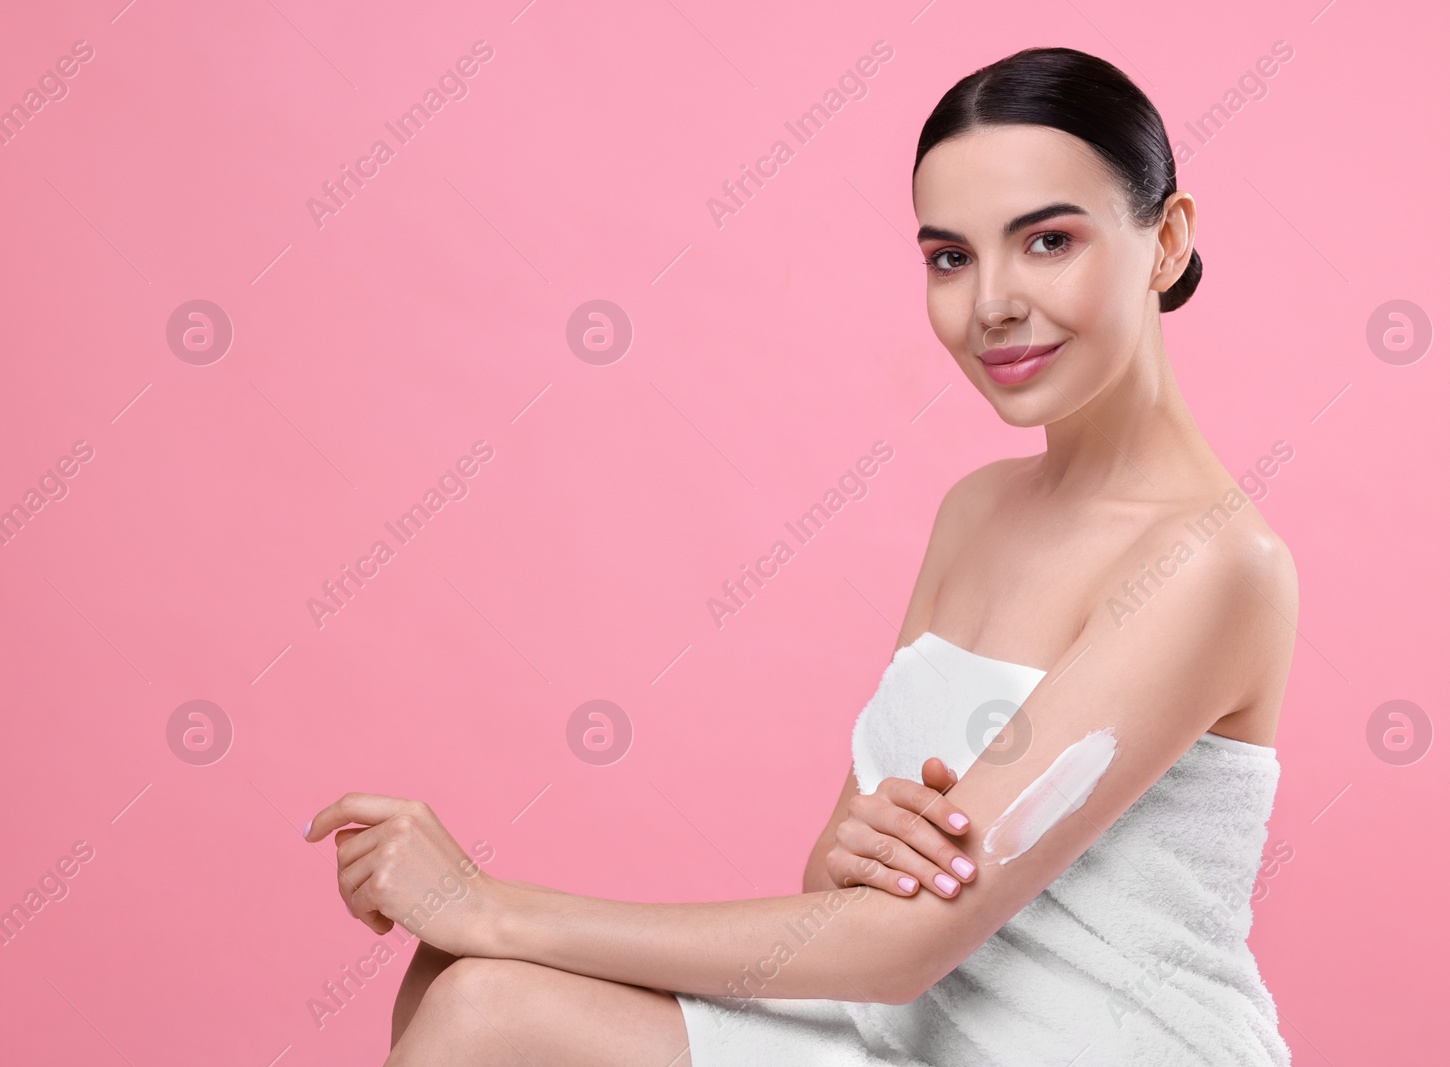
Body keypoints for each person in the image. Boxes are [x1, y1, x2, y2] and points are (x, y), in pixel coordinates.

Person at [306, 45, 1298, 1066]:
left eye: (1047, 240)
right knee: (451, 976)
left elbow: (901, 942)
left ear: (1167, 239)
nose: (991, 301)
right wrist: (852, 847)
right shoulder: (975, 511)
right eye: (950, 257)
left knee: (485, 1001)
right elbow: (836, 889)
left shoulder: (1214, 563)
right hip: (903, 1031)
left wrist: (489, 903)